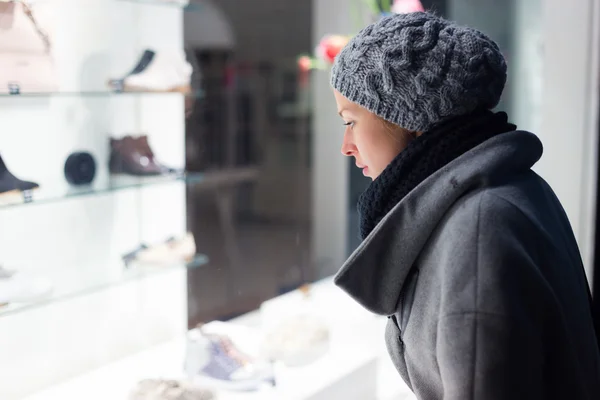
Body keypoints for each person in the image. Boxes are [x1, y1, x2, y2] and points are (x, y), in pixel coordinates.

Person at [330, 11, 600, 399]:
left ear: (408, 117)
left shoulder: (477, 234)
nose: (346, 146)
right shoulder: (511, 187)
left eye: (350, 121)